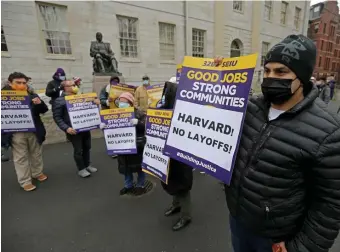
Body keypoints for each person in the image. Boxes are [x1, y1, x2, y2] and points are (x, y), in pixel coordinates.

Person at [216, 34, 340, 252]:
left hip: (276, 239)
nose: (271, 77)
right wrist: (212, 79)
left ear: (301, 78)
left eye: (281, 72)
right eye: (267, 71)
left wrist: (299, 247)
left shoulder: (327, 131)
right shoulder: (251, 108)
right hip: (238, 220)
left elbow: (330, 204)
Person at [1, 72, 49, 191]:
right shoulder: (3, 97)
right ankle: (25, 181)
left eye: (24, 83)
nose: (22, 85)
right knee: (20, 157)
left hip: (34, 130)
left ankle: (37, 173)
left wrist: (39, 103)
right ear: (10, 83)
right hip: (15, 132)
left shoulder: (31, 95)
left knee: (36, 153)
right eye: (18, 83)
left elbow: (44, 110)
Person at [160, 79, 194, 231]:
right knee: (171, 182)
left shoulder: (187, 111)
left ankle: (186, 216)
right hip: (168, 154)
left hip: (182, 155)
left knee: (182, 186)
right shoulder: (164, 108)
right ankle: (176, 206)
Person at [100, 92, 147, 195]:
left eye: (124, 102)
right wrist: (104, 127)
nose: (121, 103)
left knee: (140, 168)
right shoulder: (115, 114)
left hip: (137, 146)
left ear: (130, 102)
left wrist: (138, 123)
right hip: (122, 147)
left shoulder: (139, 113)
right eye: (120, 101)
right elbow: (112, 132)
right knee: (126, 168)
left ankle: (141, 185)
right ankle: (128, 185)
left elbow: (147, 128)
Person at [52, 80, 99, 178]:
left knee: (87, 147)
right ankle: (81, 169)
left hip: (85, 127)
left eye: (75, 85)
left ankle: (87, 165)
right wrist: (66, 128)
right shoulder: (59, 101)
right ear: (65, 88)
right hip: (73, 130)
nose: (75, 86)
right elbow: (57, 117)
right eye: (72, 85)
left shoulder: (82, 97)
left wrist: (95, 103)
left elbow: (90, 109)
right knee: (78, 150)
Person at [99, 75, 120, 159]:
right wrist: (107, 101)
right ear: (110, 82)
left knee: (117, 131)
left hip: (117, 113)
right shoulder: (105, 89)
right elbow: (101, 100)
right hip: (107, 113)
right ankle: (112, 151)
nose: (115, 83)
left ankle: (119, 149)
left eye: (116, 81)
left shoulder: (120, 89)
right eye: (113, 81)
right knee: (109, 132)